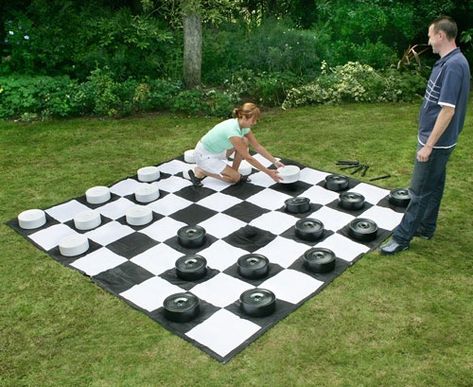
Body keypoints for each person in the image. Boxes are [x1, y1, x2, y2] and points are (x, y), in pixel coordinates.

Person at [381, 16, 470, 255]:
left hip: (437, 142)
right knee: (435, 184)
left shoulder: (453, 66)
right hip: (441, 140)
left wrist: (428, 145)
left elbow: (448, 110)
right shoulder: (451, 61)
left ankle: (401, 238)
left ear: (441, 36)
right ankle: (426, 226)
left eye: (431, 35)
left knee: (418, 191)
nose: (428, 40)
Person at [188, 102, 283, 186]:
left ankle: (234, 171)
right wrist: (269, 172)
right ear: (244, 117)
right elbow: (248, 157)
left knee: (244, 141)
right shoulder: (233, 131)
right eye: (253, 120)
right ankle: (201, 170)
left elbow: (257, 146)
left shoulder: (243, 126)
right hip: (204, 156)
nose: (255, 123)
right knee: (234, 179)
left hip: (218, 151)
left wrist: (275, 161)